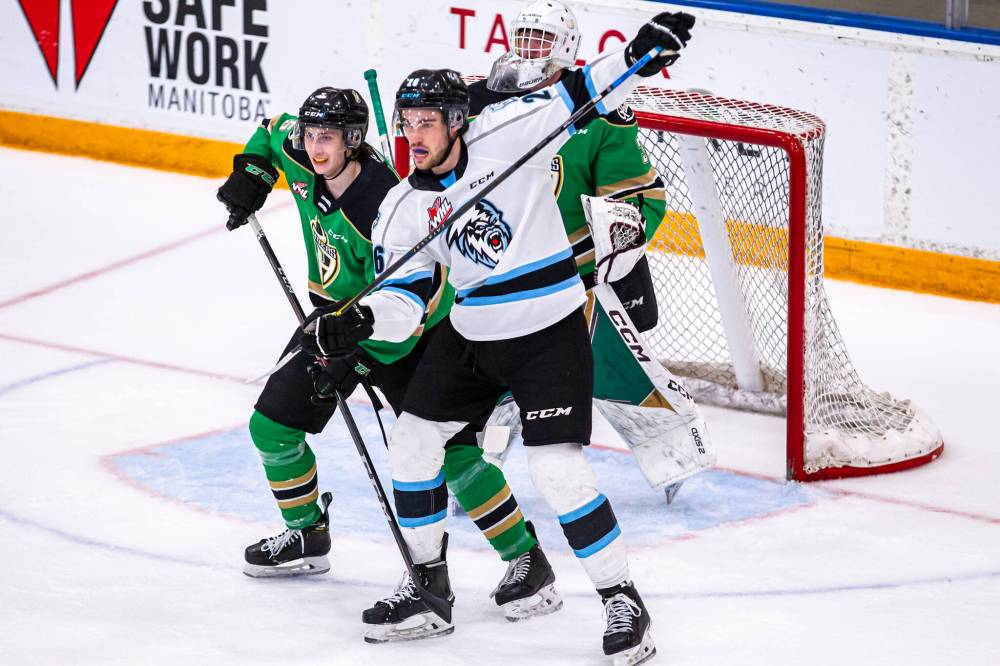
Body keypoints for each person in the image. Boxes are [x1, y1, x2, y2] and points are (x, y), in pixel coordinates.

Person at [303, 12, 695, 664]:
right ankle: (429, 590)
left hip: (547, 329)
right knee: (414, 442)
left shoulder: (511, 133)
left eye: (427, 121)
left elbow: (584, 89)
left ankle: (622, 600)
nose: (414, 135)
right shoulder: (402, 209)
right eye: (406, 122)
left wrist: (639, 53)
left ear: (458, 121)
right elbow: (406, 298)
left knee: (557, 469)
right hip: (472, 333)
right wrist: (364, 321)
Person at [462, 0, 714, 507]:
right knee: (491, 381)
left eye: (542, 39)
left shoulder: (600, 113)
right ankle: (471, 473)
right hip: (500, 275)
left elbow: (638, 197)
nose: (529, 48)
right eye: (523, 35)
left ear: (566, 49)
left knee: (618, 375)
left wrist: (616, 238)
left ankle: (677, 455)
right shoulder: (478, 101)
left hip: (575, 281)